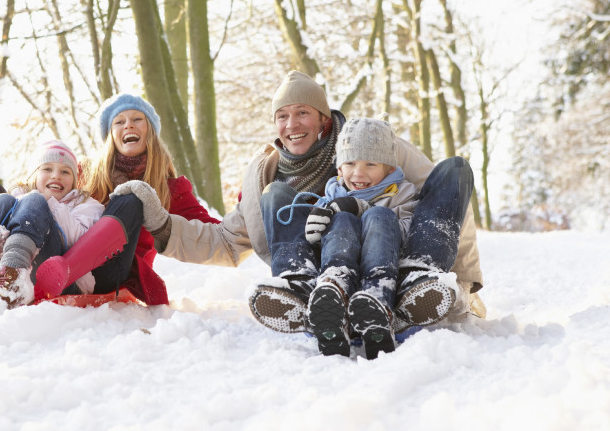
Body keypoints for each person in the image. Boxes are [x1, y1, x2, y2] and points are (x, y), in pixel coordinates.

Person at [118, 70, 484, 334]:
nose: (292, 123)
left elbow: (445, 203)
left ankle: (417, 281)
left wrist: (465, 282)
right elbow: (226, 243)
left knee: (453, 170)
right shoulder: (264, 173)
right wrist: (160, 223)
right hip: (324, 275)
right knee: (276, 196)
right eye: (282, 116)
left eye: (303, 112)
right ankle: (302, 286)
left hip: (390, 259)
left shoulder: (370, 144)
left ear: (323, 119)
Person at [32, 93, 221, 305]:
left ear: (150, 130)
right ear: (111, 135)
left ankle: (64, 271)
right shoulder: (85, 172)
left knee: (133, 195)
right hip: (60, 257)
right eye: (119, 122)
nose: (128, 125)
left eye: (137, 119)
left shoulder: (170, 189)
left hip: (112, 273)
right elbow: (46, 191)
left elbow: (213, 235)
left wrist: (249, 213)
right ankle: (3, 274)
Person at [275, 117, 418, 358]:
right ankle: (333, 296)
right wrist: (316, 231)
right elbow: (321, 244)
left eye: (371, 164)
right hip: (341, 268)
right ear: (340, 169)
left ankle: (376, 302)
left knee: (380, 215)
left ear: (389, 168)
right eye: (350, 163)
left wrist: (361, 207)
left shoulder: (401, 193)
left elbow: (406, 234)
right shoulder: (331, 196)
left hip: (382, 272)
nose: (359, 173)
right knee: (340, 220)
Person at [0, 140, 104, 332]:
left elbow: (79, 238)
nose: (56, 175)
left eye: (65, 172)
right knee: (1, 201)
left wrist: (43, 202)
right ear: (34, 175)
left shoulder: (84, 204)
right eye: (47, 169)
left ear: (75, 180)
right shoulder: (16, 197)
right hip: (2, 268)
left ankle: (12, 283)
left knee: (33, 201)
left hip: (57, 270)